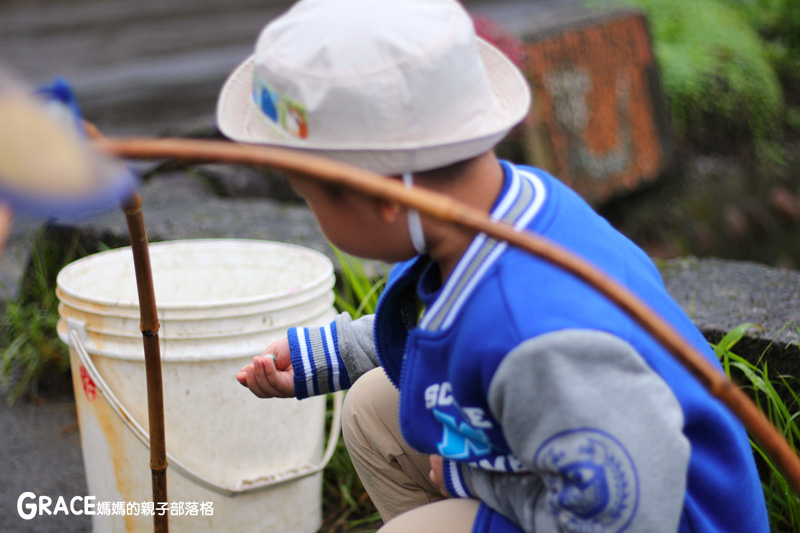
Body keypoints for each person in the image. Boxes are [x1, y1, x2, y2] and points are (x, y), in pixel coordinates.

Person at [219, 0, 770, 531]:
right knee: (373, 409)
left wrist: (471, 479)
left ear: (381, 200)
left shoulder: (535, 334)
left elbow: (629, 515)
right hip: (602, 455)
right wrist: (335, 354)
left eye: (309, 197)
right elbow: (445, 326)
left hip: (655, 513)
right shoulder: (504, 206)